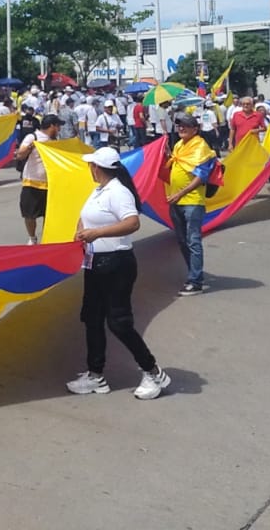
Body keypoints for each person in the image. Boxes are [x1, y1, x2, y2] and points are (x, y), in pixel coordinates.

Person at [66, 147, 171, 400]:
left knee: (119, 322)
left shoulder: (118, 191)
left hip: (116, 263)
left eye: (91, 165)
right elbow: (87, 218)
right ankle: (96, 375)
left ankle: (153, 371)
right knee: (92, 318)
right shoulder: (99, 190)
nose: (89, 168)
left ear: (97, 167)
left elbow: (132, 222)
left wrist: (96, 234)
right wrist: (81, 230)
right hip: (95, 262)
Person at [166, 113, 217, 295]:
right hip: (176, 201)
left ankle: (195, 281)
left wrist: (179, 193)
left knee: (193, 240)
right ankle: (194, 274)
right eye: (179, 124)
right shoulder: (179, 145)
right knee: (181, 240)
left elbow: (200, 177)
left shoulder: (201, 148)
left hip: (192, 201)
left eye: (185, 125)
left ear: (195, 129)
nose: (181, 128)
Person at [16, 114, 61, 245]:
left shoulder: (55, 141)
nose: (59, 129)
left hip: (50, 184)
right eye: (58, 126)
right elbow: (20, 155)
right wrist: (32, 146)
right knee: (29, 214)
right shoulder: (33, 137)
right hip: (32, 182)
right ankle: (32, 237)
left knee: (50, 215)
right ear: (52, 126)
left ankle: (47, 238)